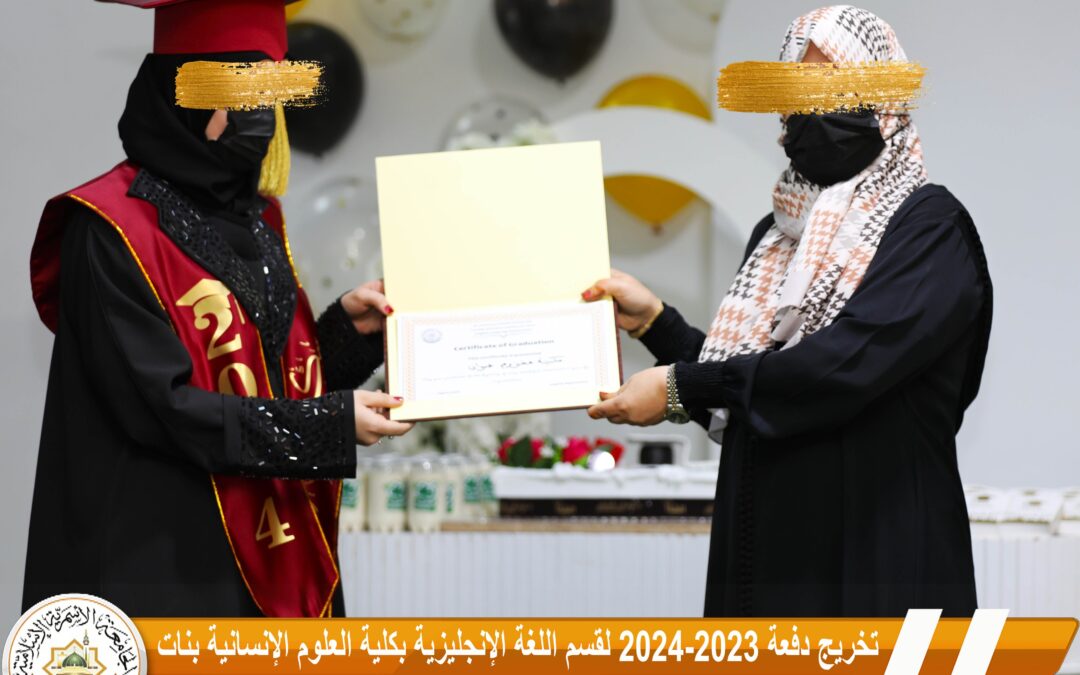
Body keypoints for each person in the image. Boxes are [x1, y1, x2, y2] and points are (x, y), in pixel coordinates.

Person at [584, 5, 992, 617]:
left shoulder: (929, 230)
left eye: (835, 90)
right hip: (765, 564)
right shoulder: (777, 236)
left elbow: (837, 370)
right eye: (797, 94)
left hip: (879, 567)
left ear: (883, 99)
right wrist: (655, 324)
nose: (812, 112)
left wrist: (679, 387)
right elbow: (752, 388)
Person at [24, 0, 411, 617]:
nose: (257, 115)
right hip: (162, 560)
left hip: (271, 550)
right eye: (236, 89)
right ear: (179, 94)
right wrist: (329, 426)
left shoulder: (258, 221)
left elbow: (267, 380)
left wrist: (347, 331)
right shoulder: (109, 228)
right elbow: (165, 408)